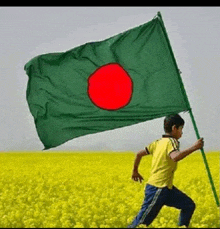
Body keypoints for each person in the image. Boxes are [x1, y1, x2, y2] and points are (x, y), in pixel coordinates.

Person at [127, 114, 204, 228]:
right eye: (181, 129)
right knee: (141, 223)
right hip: (158, 188)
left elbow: (139, 154)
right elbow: (175, 156)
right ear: (174, 128)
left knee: (188, 205)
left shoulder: (158, 142)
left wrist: (135, 171)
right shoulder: (171, 142)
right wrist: (194, 147)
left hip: (166, 189)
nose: (182, 133)